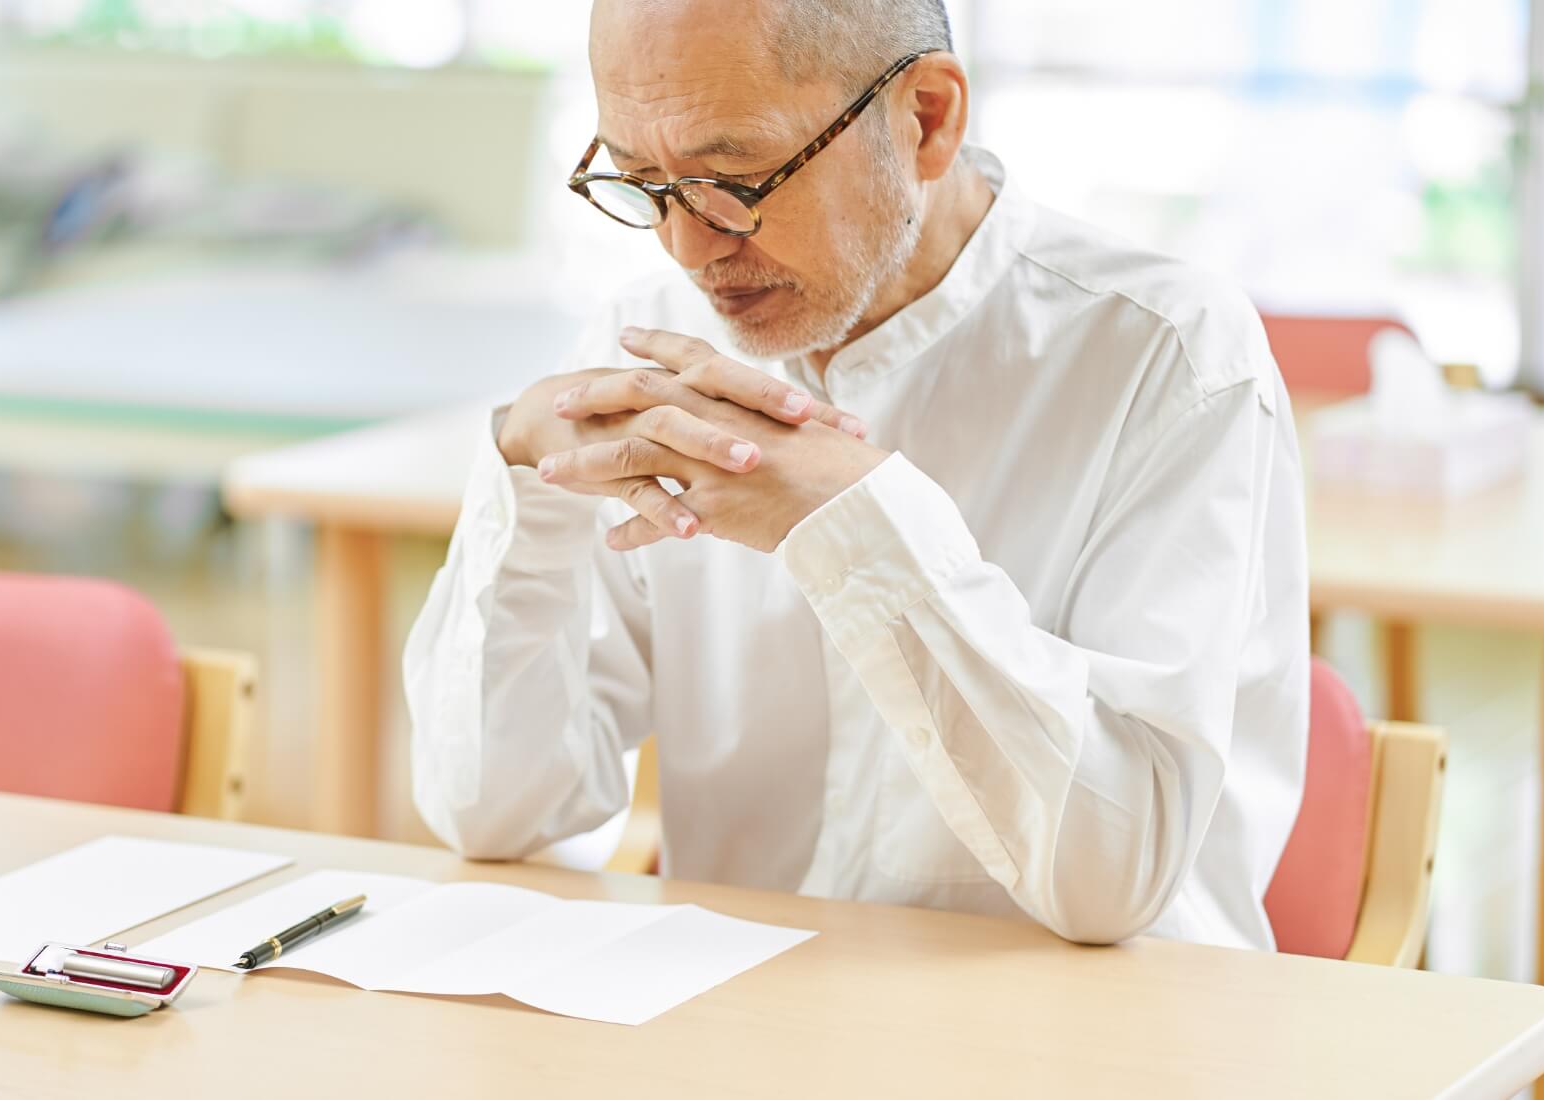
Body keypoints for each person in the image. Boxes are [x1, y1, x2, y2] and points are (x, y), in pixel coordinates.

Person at [404, 0, 1308, 949]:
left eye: (735, 179)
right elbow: (490, 814)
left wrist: (854, 519)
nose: (688, 246)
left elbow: (1111, 883)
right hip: (740, 1024)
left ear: (926, 118)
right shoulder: (650, 344)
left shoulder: (1167, 357)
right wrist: (526, 477)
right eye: (640, 183)